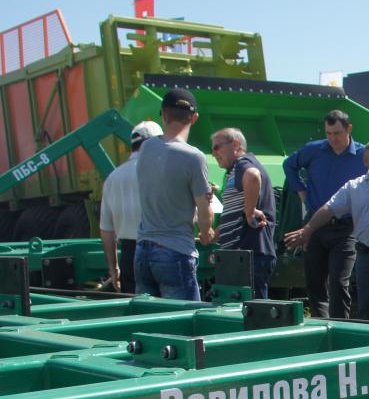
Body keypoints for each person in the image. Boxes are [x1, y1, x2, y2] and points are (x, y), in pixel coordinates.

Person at [284, 139, 369, 324]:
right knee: (368, 311)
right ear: (365, 162)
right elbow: (329, 209)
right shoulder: (353, 187)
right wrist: (308, 230)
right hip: (366, 258)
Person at [134, 88, 215, 300]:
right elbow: (204, 211)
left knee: (147, 323)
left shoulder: (146, 148)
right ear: (194, 118)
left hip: (142, 251)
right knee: (186, 326)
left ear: (163, 114)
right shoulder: (194, 157)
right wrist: (207, 231)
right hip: (175, 252)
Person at [283, 110, 365, 318]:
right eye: (328, 133)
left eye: (337, 133)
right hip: (315, 223)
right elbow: (289, 165)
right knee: (314, 280)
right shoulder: (315, 150)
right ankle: (321, 325)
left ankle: (340, 326)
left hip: (346, 226)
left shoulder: (363, 155)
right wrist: (302, 193)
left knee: (339, 282)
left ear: (349, 129)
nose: (332, 139)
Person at [211, 127, 277, 298]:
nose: (213, 153)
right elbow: (236, 213)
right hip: (241, 256)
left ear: (236, 144)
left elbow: (253, 176)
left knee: (252, 315)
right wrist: (216, 234)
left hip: (248, 256)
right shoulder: (233, 171)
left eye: (217, 147)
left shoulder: (243, 163)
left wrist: (250, 211)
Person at [100, 120, 161, 292]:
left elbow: (106, 229)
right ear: (154, 143)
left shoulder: (113, 178)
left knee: (138, 312)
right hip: (162, 248)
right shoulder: (161, 170)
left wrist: (113, 268)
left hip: (129, 254)